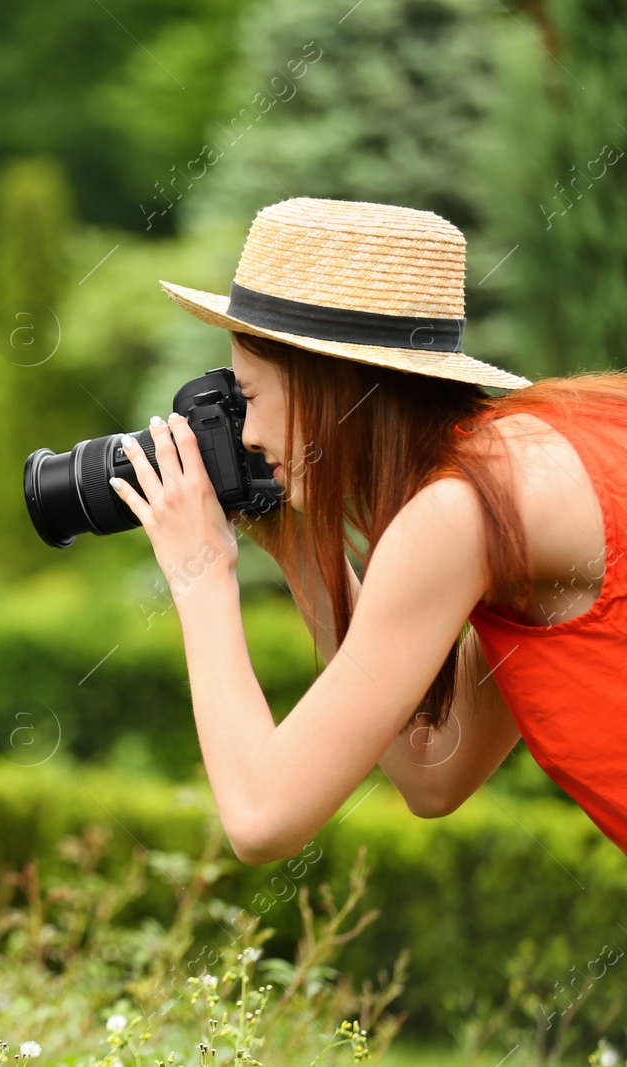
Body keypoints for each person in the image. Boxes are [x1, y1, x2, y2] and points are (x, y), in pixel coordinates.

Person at [109, 197, 627, 864]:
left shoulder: (459, 512)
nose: (248, 434)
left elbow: (262, 815)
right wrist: (296, 550)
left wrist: (202, 568)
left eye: (253, 396)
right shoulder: (533, 460)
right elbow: (435, 768)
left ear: (331, 382)